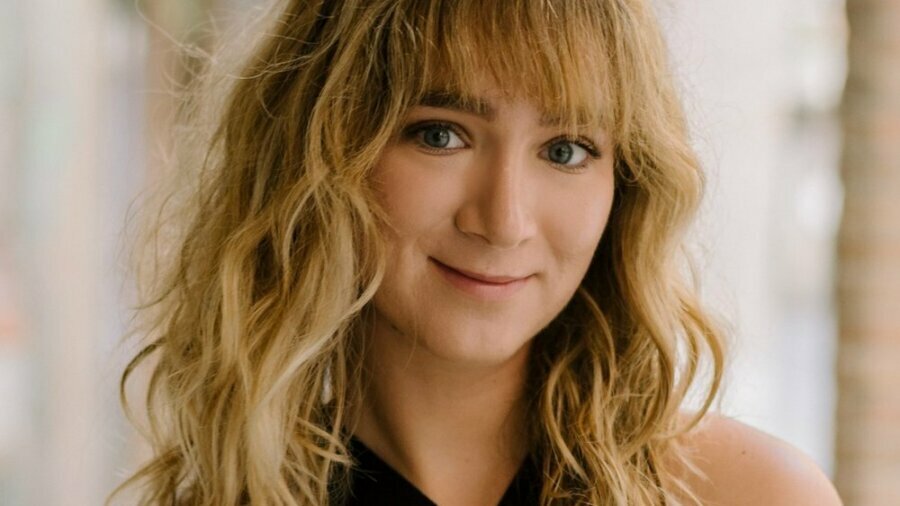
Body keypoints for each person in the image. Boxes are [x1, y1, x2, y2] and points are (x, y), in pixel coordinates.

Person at [113, 1, 843, 505]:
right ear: (320, 155)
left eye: (565, 150)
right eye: (441, 133)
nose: (504, 220)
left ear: (623, 188)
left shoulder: (749, 494)